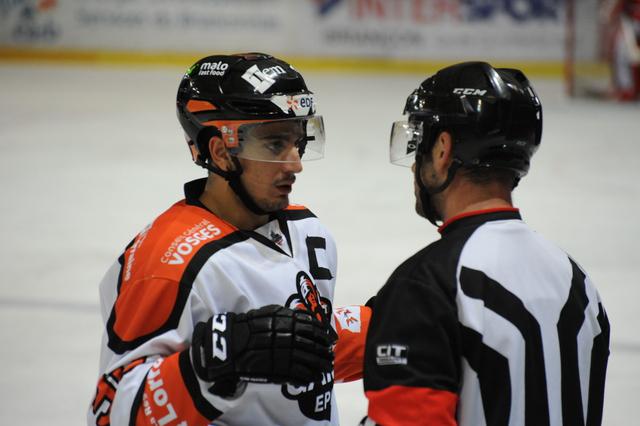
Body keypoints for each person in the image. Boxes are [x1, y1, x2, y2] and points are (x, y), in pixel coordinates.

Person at [88, 52, 369, 426]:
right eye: (274, 144)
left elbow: (295, 353)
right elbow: (110, 414)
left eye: (297, 140)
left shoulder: (307, 230)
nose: (295, 164)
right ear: (220, 152)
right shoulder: (167, 264)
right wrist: (210, 364)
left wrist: (388, 328)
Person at [360, 62, 610, 425]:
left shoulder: (426, 286)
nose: (414, 165)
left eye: (419, 145)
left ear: (442, 149)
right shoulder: (579, 284)